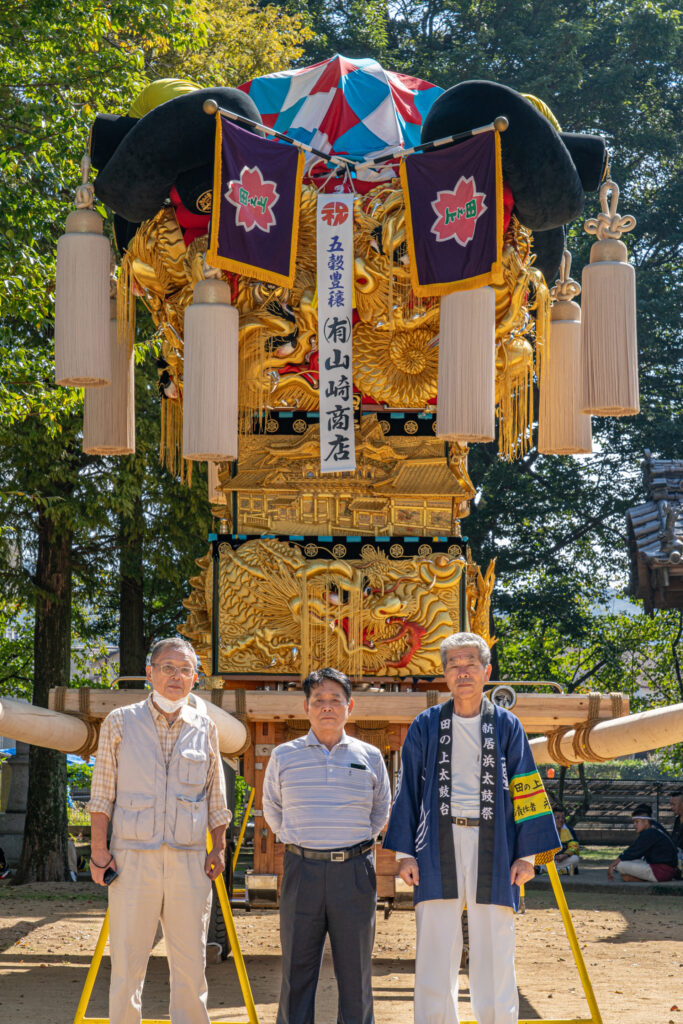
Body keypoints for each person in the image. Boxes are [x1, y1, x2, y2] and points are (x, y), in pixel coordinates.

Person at [384, 631, 561, 1024]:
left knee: (495, 947)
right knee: (434, 947)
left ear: (487, 672)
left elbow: (526, 785)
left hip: (495, 843)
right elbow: (408, 787)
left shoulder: (507, 725)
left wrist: (527, 856)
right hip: (434, 844)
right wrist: (404, 853)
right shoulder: (426, 725)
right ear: (444, 674)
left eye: (470, 664)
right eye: (453, 665)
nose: (462, 672)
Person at [87, 637, 230, 1024]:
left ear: (195, 678)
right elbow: (101, 795)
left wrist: (218, 848)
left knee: (190, 966)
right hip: (132, 860)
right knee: (127, 966)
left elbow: (216, 799)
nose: (176, 676)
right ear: (150, 673)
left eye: (185, 670)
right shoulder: (121, 722)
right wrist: (99, 852)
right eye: (167, 667)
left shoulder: (206, 727)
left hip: (189, 862)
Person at [262, 667, 391, 1024]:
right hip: (301, 870)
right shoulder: (284, 755)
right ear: (306, 707)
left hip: (354, 872)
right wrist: (296, 839)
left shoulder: (370, 755)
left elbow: (381, 808)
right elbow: (272, 807)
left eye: (336, 699)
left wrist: (357, 842)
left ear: (351, 706)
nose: (327, 706)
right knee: (296, 970)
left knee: (356, 972)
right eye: (318, 700)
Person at [607, 803, 678, 883]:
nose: (634, 825)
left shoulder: (650, 832)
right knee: (626, 863)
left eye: (637, 822)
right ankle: (636, 878)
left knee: (620, 865)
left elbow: (632, 851)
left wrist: (613, 864)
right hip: (665, 870)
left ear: (646, 821)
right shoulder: (654, 826)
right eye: (634, 822)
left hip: (661, 872)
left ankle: (639, 879)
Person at [538, 807, 579, 875]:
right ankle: (565, 870)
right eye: (557, 817)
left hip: (563, 859)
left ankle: (546, 870)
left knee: (575, 859)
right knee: (539, 862)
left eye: (562, 817)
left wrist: (564, 855)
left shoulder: (569, 830)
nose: (561, 820)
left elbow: (574, 847)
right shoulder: (544, 830)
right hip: (549, 860)